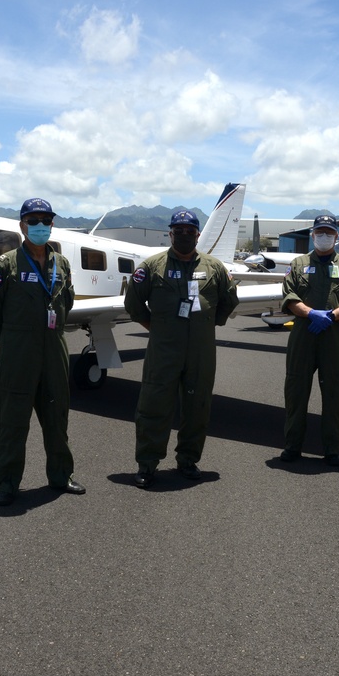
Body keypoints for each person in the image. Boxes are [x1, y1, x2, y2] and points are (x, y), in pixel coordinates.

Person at [0, 198, 85, 506]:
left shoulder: (60, 263)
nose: (41, 226)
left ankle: (60, 475)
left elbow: (68, 302)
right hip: (17, 351)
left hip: (54, 348)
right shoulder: (6, 264)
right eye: (34, 220)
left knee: (57, 417)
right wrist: (10, 340)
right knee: (12, 420)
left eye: (46, 220)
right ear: (22, 225)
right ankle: (8, 483)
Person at [124, 209, 240, 488]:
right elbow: (133, 304)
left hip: (201, 350)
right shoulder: (151, 267)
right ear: (170, 233)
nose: (185, 235)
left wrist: (209, 324)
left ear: (198, 234)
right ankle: (147, 463)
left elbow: (229, 300)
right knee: (154, 404)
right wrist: (158, 329)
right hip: (164, 349)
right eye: (179, 231)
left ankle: (188, 460)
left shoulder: (214, 267)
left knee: (198, 405)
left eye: (190, 231)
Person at [279, 214, 339, 470]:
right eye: (320, 232)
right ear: (312, 234)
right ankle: (292, 445)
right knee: (296, 391)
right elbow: (289, 295)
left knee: (337, 394)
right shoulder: (298, 264)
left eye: (329, 232)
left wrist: (331, 316)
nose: (324, 236)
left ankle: (333, 449)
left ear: (336, 236)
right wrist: (310, 313)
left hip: (335, 335)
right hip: (303, 333)